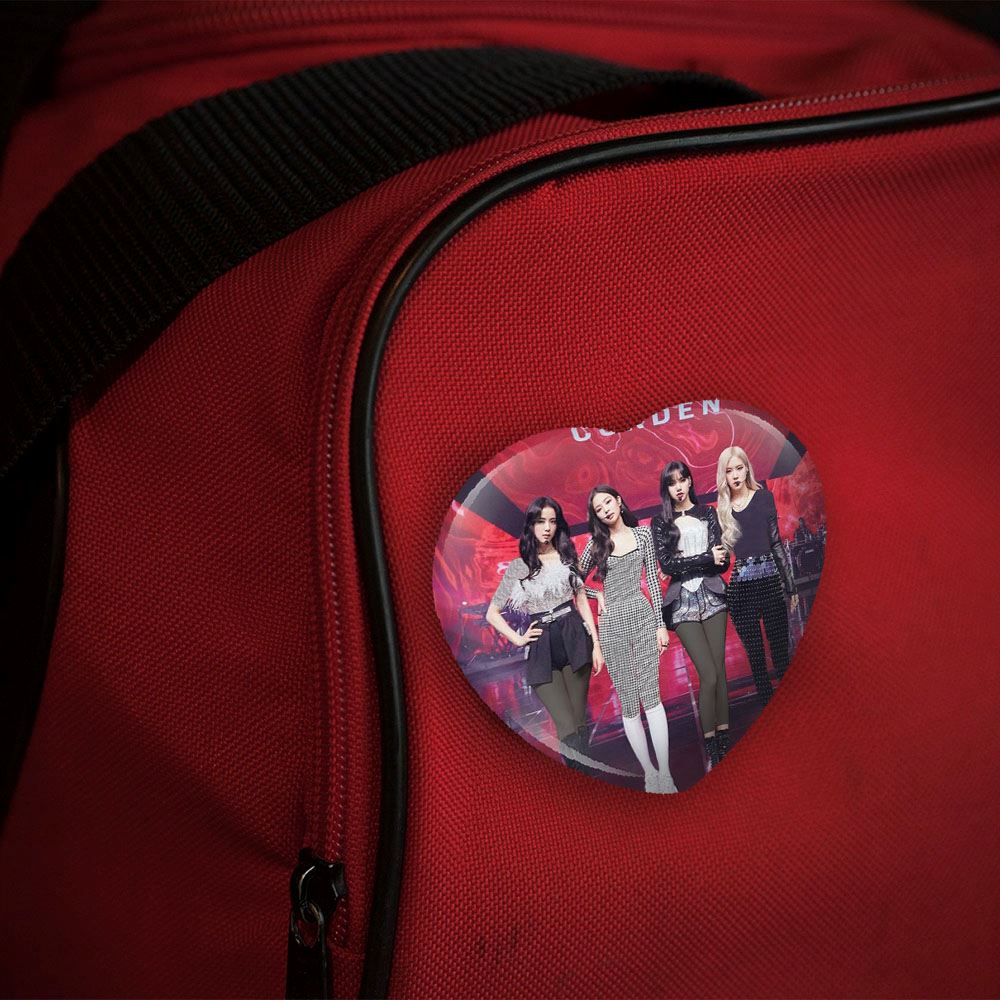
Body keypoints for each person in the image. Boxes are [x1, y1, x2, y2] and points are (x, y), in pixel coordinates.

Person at [485, 497, 604, 769]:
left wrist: (596, 644)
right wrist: (518, 639)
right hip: (542, 646)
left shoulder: (566, 558)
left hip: (574, 637)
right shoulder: (519, 567)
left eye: (552, 521)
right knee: (565, 723)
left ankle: (585, 779)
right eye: (541, 521)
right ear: (531, 525)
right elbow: (492, 613)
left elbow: (581, 600)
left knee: (579, 721)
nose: (547, 528)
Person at [578, 485, 677, 794]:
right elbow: (573, 582)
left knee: (652, 695)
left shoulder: (643, 535)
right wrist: (597, 594)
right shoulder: (595, 545)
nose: (605, 509)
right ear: (596, 516)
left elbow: (653, 582)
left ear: (619, 501)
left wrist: (660, 624)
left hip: (643, 617)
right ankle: (649, 774)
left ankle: (665, 773)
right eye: (598, 509)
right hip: (612, 627)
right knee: (629, 701)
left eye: (608, 502)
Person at [650, 461, 732, 768]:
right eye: (672, 483)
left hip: (712, 594)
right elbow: (668, 565)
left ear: (690, 481)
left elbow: (721, 561)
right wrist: (706, 557)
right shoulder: (660, 522)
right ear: (667, 489)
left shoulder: (708, 512)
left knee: (720, 672)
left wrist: (714, 558)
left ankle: (724, 742)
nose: (678, 487)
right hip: (682, 600)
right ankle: (710, 745)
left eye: (682, 480)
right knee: (707, 674)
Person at [716, 446, 798, 706]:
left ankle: (791, 710)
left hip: (770, 583)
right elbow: (722, 560)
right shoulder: (722, 510)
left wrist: (790, 586)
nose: (735, 475)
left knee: (781, 654)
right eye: (729, 471)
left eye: (739, 468)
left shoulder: (764, 498)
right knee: (757, 662)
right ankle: (770, 711)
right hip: (741, 591)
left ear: (747, 469)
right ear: (723, 476)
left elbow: (775, 543)